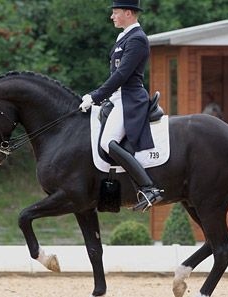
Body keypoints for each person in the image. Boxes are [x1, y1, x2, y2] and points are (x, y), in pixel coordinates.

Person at [78, 0, 162, 212]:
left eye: (115, 13)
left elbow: (122, 75)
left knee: (107, 142)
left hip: (130, 98)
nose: (112, 17)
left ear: (128, 13)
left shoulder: (137, 39)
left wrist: (95, 96)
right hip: (117, 97)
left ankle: (148, 187)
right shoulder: (124, 36)